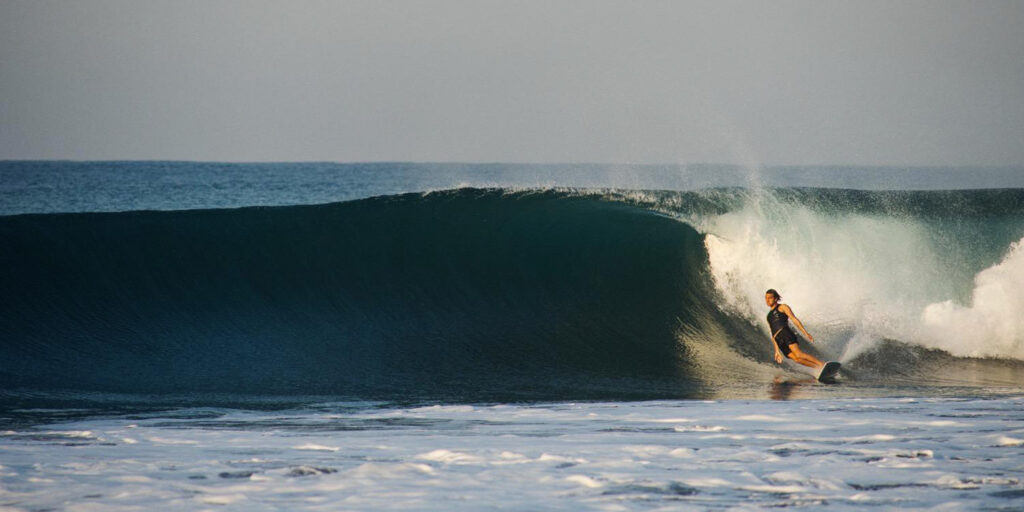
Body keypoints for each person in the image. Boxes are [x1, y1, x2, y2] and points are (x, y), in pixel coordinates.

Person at [765, 289, 824, 370]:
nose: (767, 300)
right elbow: (772, 334)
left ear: (775, 299)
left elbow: (794, 319)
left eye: (770, 298)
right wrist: (777, 350)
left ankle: (822, 364)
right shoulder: (768, 316)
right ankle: (818, 368)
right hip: (778, 340)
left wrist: (805, 333)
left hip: (785, 333)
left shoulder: (782, 307)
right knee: (797, 359)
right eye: (766, 298)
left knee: (799, 354)